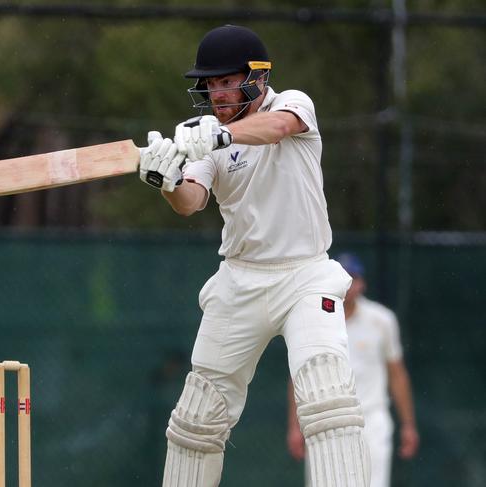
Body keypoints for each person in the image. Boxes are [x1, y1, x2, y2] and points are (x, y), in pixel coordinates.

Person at [138, 24, 371, 487]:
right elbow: (190, 201)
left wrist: (221, 138)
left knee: (327, 400)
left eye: (227, 81)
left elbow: (279, 127)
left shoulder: (292, 104)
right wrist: (164, 181)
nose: (217, 93)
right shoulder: (210, 142)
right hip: (239, 282)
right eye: (211, 84)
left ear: (257, 78)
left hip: (305, 275)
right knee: (197, 417)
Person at [286, 252, 419, 487]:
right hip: (323, 418)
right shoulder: (315, 318)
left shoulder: (382, 320)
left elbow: (397, 374)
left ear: (362, 283)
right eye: (343, 277)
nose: (348, 285)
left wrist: (408, 424)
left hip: (371, 419)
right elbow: (299, 374)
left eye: (353, 278)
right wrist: (294, 426)